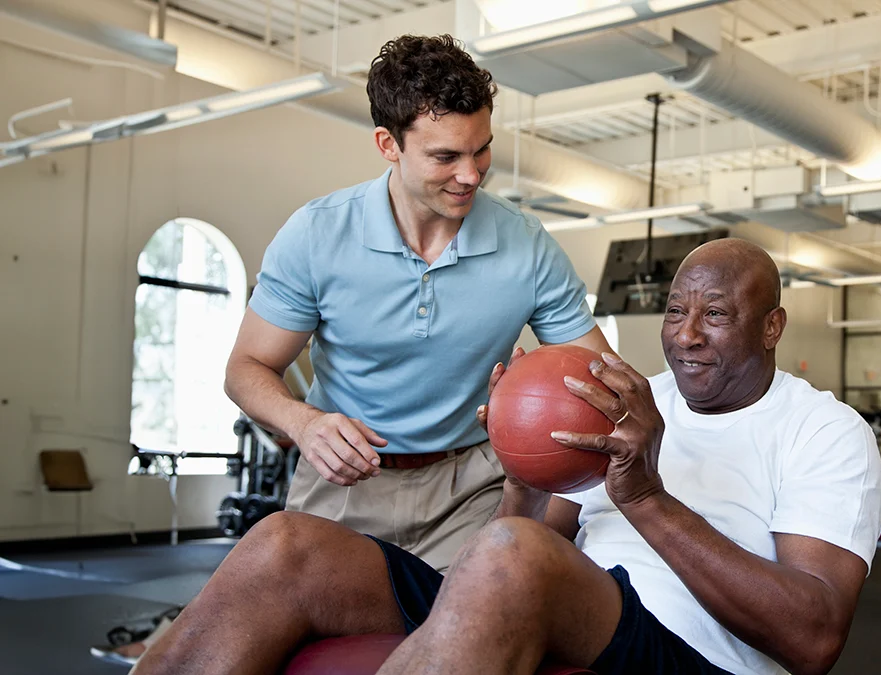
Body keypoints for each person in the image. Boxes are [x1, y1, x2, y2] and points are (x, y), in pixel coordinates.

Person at [132, 238, 881, 675]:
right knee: (285, 543)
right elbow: (525, 535)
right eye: (675, 311)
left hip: (693, 660)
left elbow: (814, 636)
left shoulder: (826, 434)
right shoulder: (628, 400)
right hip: (571, 608)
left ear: (772, 326)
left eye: (717, 315)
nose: (686, 334)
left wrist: (646, 498)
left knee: (514, 555)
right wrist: (522, 466)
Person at [223, 33, 611, 573]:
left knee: (460, 642)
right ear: (388, 144)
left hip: (471, 486)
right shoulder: (317, 234)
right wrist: (305, 424)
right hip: (343, 481)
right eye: (446, 156)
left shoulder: (525, 242)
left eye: (481, 149)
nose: (471, 174)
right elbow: (246, 369)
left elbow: (600, 377)